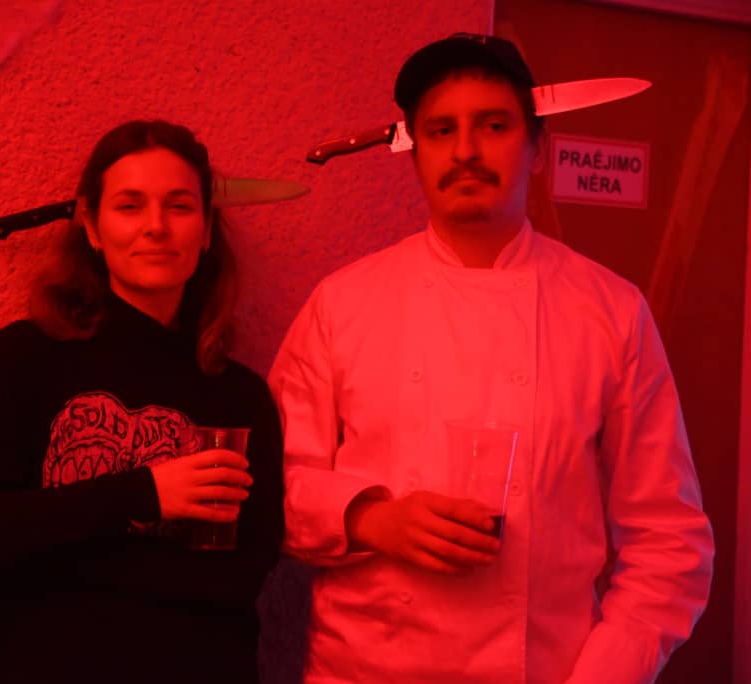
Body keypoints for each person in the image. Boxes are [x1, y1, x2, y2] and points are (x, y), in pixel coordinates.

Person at [268, 33, 714, 683]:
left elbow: (668, 541)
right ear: (416, 154)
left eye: (494, 125)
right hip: (363, 669)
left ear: (537, 150)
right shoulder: (342, 305)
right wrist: (372, 518)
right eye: (442, 130)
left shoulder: (611, 312)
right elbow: (272, 487)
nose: (467, 151)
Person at [0, 119, 284, 683]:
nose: (156, 228)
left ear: (207, 231)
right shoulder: (23, 357)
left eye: (180, 207)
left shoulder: (239, 394)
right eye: (130, 206)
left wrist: (56, 550)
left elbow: (244, 577)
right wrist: (145, 494)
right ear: (91, 227)